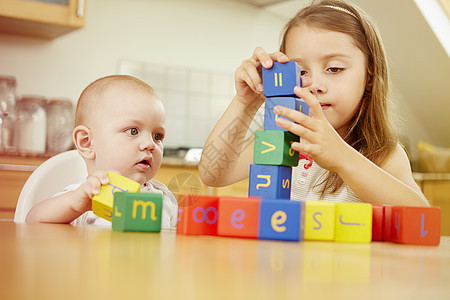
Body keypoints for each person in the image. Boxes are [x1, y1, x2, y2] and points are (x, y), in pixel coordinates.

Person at [199, 0, 429, 206]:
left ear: (369, 76)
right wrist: (245, 102)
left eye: (335, 68)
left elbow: (420, 214)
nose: (315, 85)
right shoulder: (281, 136)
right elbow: (212, 174)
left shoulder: (382, 153)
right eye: (300, 71)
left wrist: (341, 157)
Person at [26, 75, 179, 227]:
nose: (149, 144)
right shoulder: (85, 196)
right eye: (133, 131)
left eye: (157, 136)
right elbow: (32, 222)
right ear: (86, 142)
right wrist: (74, 205)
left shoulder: (164, 198)